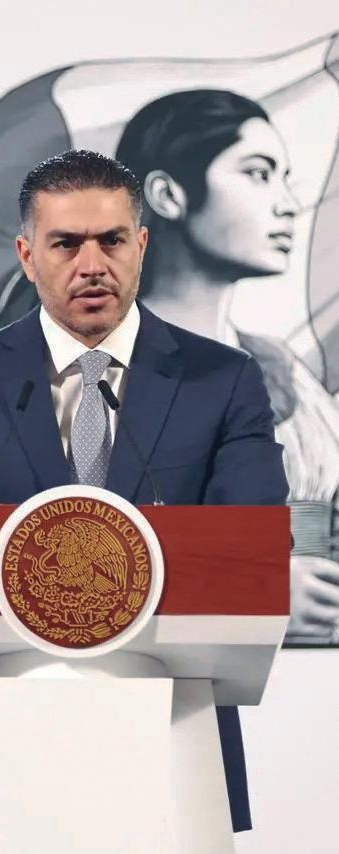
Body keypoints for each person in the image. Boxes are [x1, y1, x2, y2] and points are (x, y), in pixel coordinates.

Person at [0, 150, 288, 833]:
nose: (92, 264)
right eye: (66, 243)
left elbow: (252, 542)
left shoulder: (222, 379)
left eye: (112, 240)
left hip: (171, 749)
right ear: (27, 255)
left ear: (142, 245)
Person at [115, 88, 339, 646]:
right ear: (167, 194)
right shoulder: (96, 370)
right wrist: (246, 591)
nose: (288, 204)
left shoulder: (280, 367)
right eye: (258, 174)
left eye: (285, 178)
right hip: (170, 677)